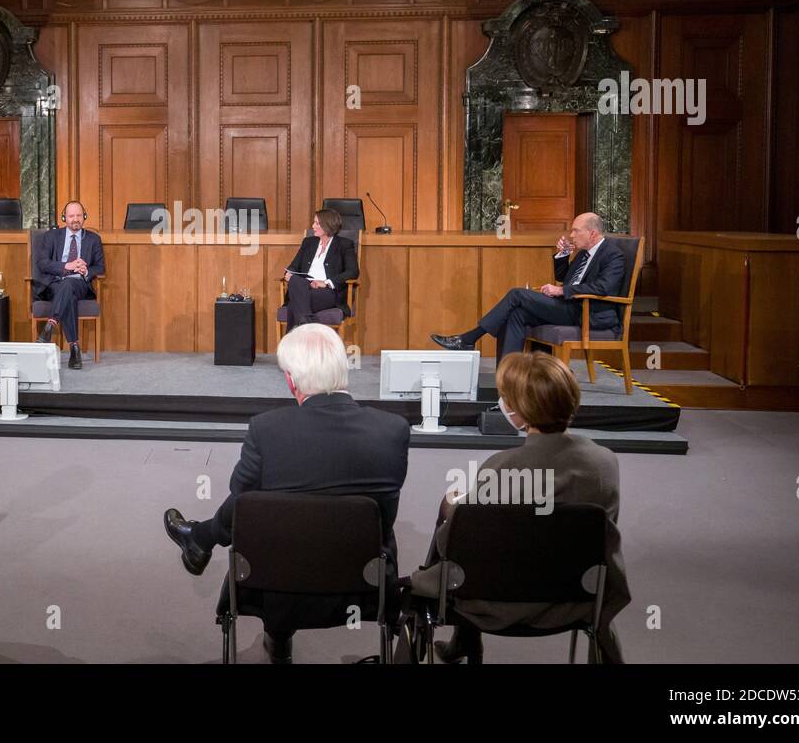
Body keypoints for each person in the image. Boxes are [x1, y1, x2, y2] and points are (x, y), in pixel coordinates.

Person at [163, 324, 409, 663]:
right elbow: (386, 514)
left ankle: (203, 541)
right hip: (366, 585)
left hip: (272, 585)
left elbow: (243, 506)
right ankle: (201, 538)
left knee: (264, 506)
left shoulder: (267, 429)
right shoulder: (393, 430)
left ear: (291, 380)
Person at [409, 351, 631, 663]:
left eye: (505, 397)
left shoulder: (501, 466)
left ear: (518, 412)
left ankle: (464, 639)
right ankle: (464, 642)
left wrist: (452, 508)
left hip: (492, 600)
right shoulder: (604, 461)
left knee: (453, 512)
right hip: (578, 598)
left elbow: (461, 545)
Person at [431, 212, 627, 362]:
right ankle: (507, 384)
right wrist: (563, 255)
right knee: (515, 314)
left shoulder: (612, 255)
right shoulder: (585, 252)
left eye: (576, 231)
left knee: (517, 294)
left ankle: (468, 338)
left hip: (588, 313)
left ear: (592, 233)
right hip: (570, 305)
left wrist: (560, 291)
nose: (571, 235)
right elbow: (564, 277)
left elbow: (603, 288)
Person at [34, 200, 105, 369]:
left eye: (79, 215)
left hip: (81, 284)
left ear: (84, 217)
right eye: (71, 216)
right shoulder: (51, 236)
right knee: (67, 290)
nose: (75, 219)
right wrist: (66, 266)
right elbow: (42, 263)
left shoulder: (94, 239)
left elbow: (101, 267)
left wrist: (85, 270)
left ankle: (51, 323)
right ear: (64, 218)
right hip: (55, 284)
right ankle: (74, 349)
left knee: (71, 284)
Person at [282, 208, 359, 329]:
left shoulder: (344, 245)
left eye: (317, 223)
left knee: (294, 304)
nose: (313, 226)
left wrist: (327, 283)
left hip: (327, 292)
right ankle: (306, 322)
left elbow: (353, 272)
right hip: (303, 287)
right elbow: (293, 267)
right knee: (296, 281)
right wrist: (288, 274)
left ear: (328, 225)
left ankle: (298, 335)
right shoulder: (308, 242)